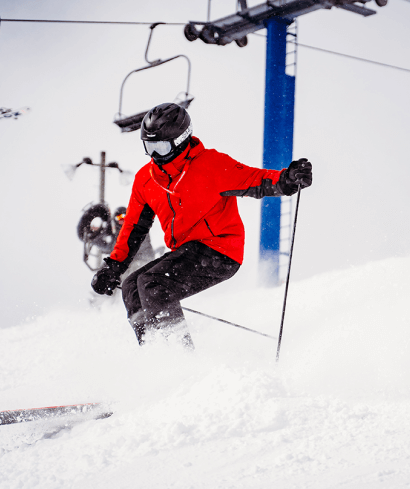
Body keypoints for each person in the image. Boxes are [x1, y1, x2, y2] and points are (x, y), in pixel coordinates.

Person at [91, 103, 313, 349]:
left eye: (161, 147)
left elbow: (255, 180)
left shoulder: (211, 165)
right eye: (149, 147)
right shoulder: (146, 179)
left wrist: (287, 179)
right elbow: (133, 228)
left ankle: (177, 352)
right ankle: (153, 351)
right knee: (132, 286)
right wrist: (114, 267)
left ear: (181, 140)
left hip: (220, 250)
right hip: (185, 252)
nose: (155, 155)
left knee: (154, 282)